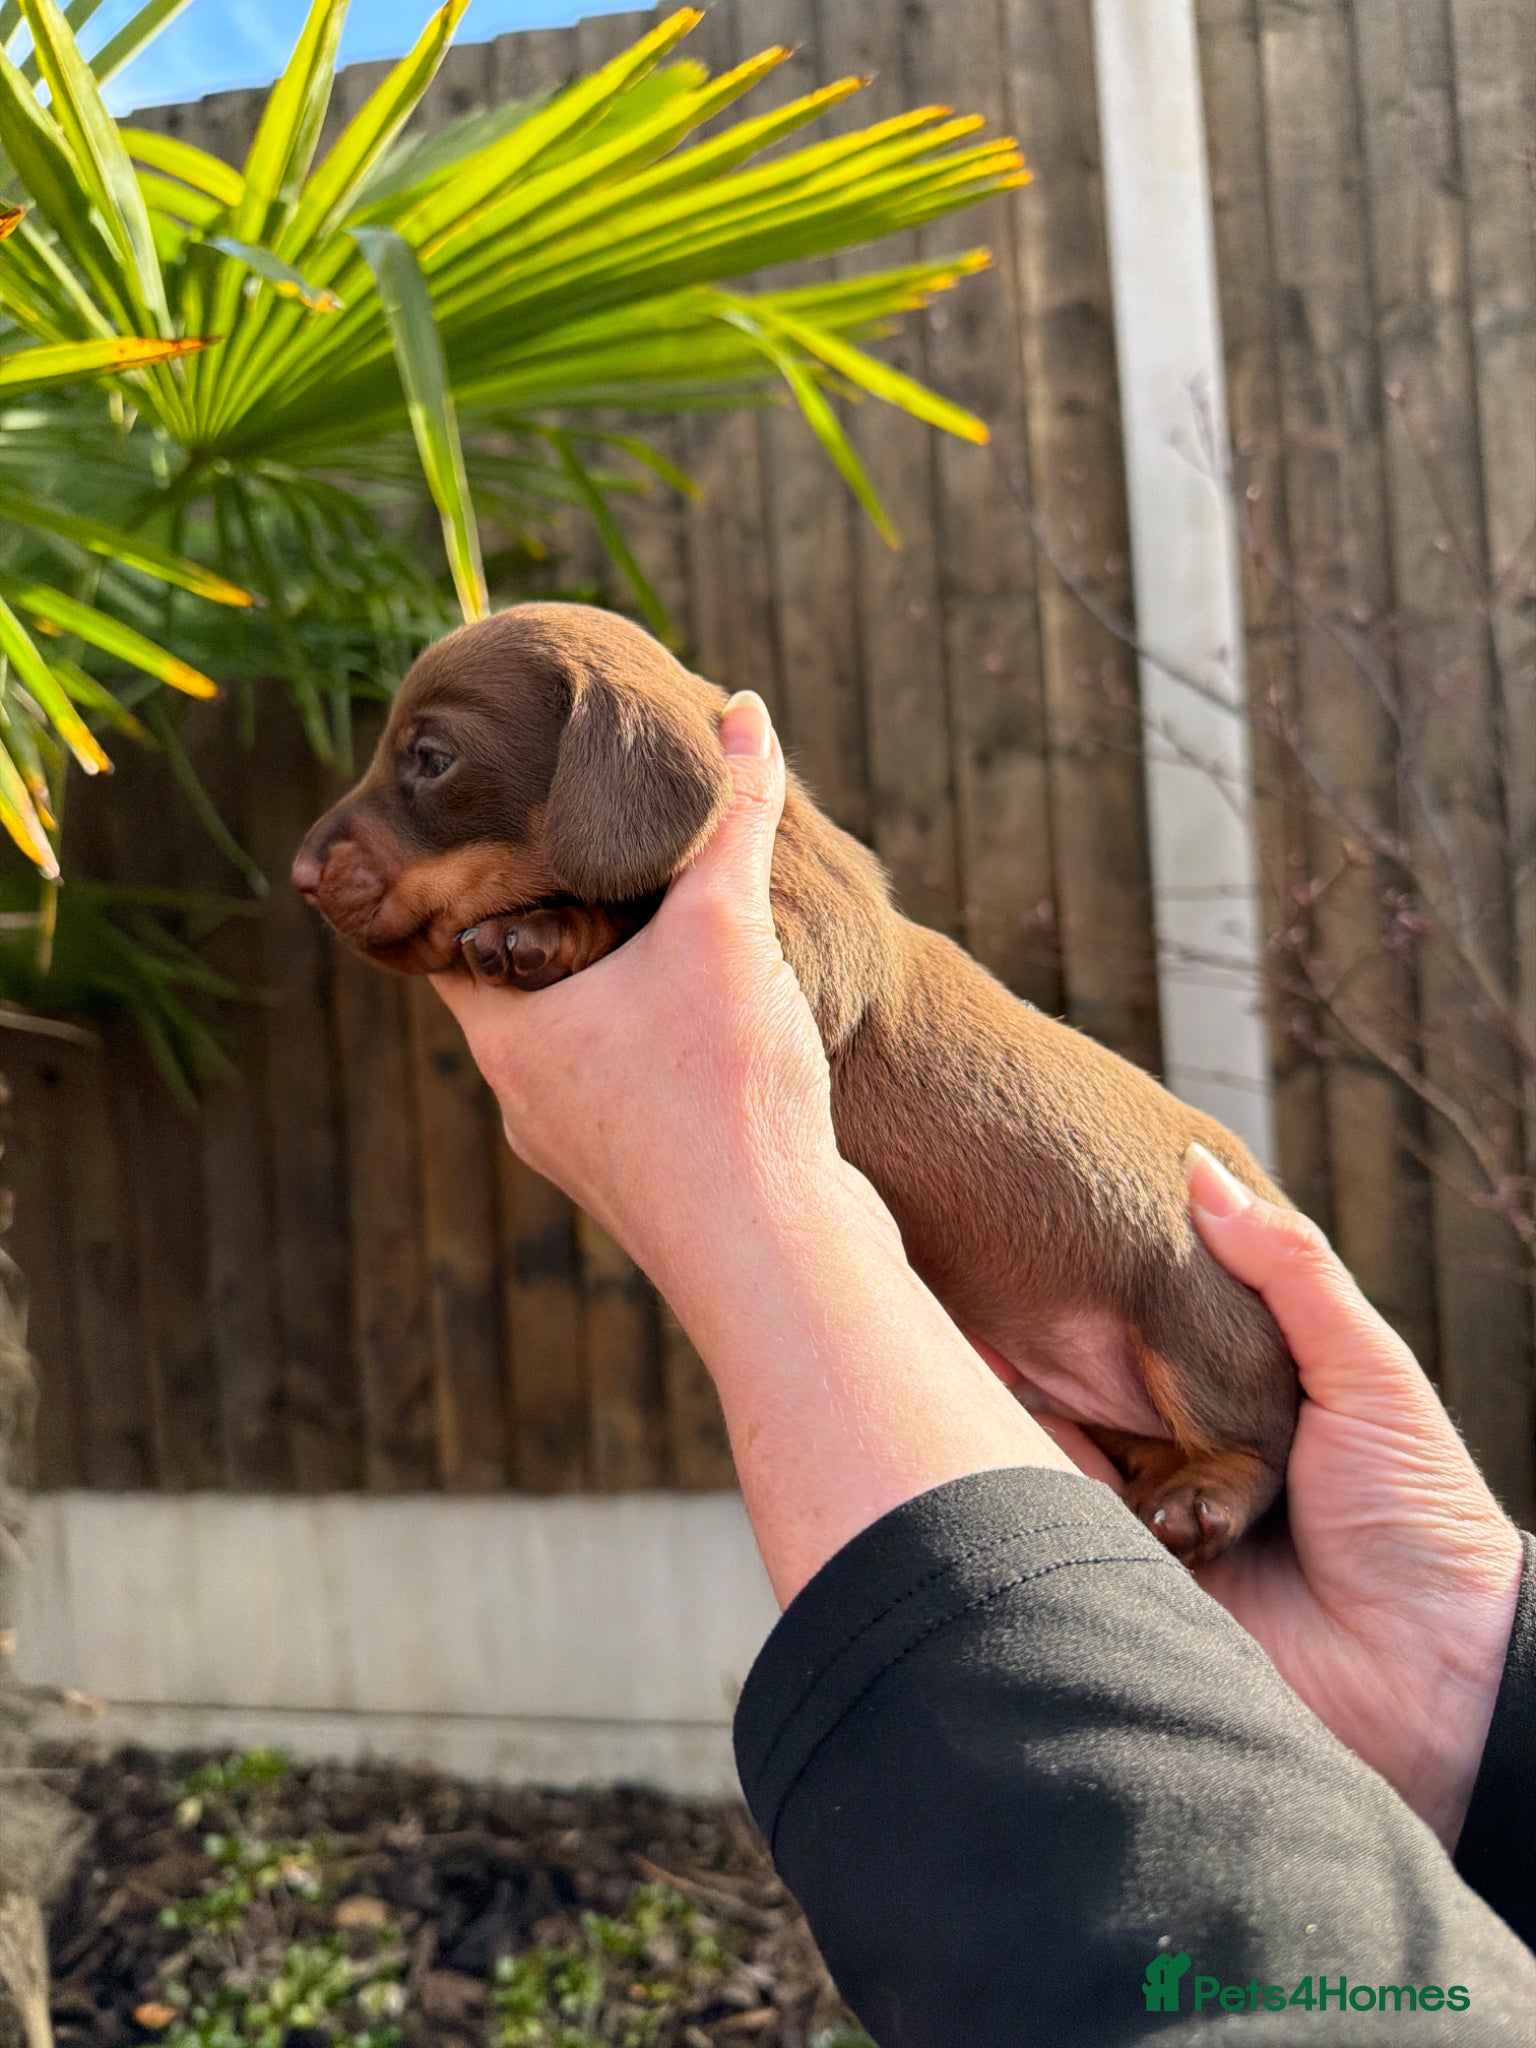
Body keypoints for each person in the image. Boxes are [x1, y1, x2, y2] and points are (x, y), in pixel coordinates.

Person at [434, 692, 1536, 2041]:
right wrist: (1466, 1691)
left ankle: (1219, 1461)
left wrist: (730, 1202)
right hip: (1363, 1655)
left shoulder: (808, 912)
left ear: (618, 780)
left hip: (1154, 1321)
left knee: (1197, 1293)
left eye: (428, 769)